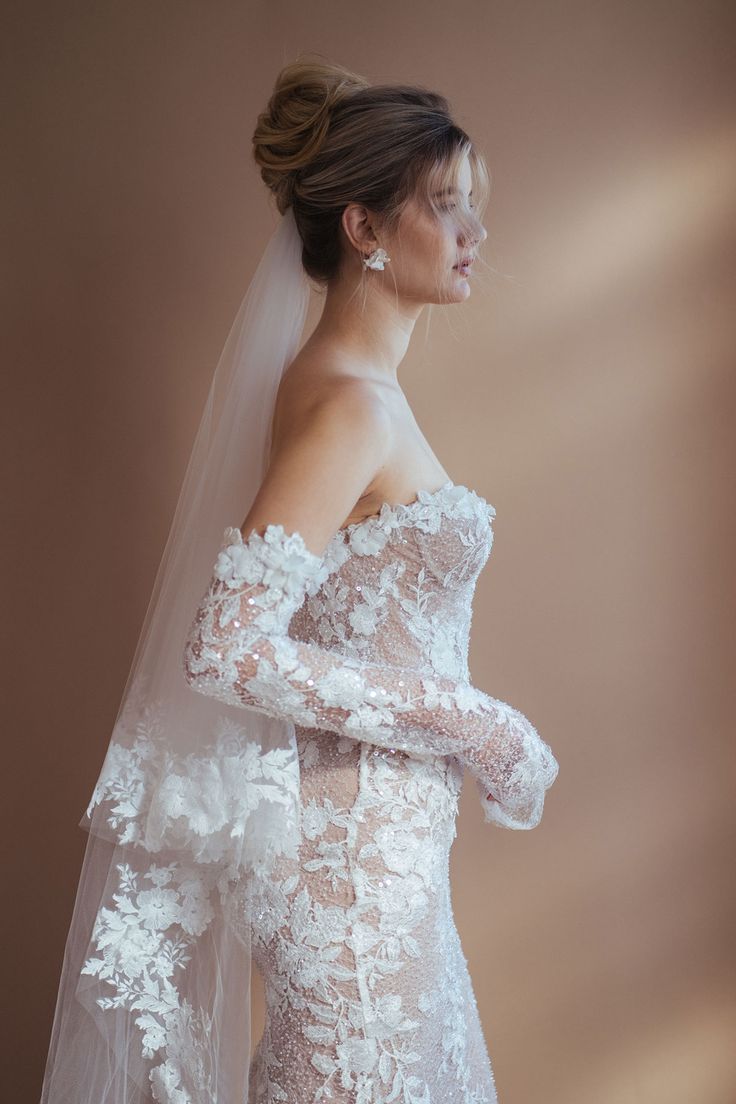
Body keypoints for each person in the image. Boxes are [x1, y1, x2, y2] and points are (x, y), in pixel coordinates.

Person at [41, 56, 558, 1104]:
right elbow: (226, 648)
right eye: (447, 208)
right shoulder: (350, 408)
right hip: (347, 871)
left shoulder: (362, 394)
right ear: (364, 230)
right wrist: (472, 721)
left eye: (474, 210)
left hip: (385, 860)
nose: (475, 235)